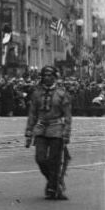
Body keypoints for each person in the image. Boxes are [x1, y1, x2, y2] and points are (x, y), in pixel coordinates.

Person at [24, 65, 72, 200]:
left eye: (50, 75)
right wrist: (28, 132)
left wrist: (66, 133)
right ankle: (55, 183)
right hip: (40, 129)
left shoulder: (62, 94)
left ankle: (53, 187)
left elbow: (68, 116)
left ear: (55, 77)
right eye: (44, 75)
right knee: (40, 159)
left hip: (56, 129)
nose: (47, 78)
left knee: (54, 160)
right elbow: (32, 113)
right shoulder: (36, 93)